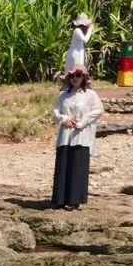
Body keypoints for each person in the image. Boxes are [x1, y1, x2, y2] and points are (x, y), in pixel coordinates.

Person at [52, 68, 103, 211]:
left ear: (84, 78)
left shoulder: (91, 95)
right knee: (63, 166)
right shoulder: (63, 96)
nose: (75, 78)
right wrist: (64, 119)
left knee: (78, 167)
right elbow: (55, 113)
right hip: (65, 136)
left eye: (78, 75)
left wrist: (84, 121)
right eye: (72, 75)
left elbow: (99, 110)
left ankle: (75, 200)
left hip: (81, 134)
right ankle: (60, 199)